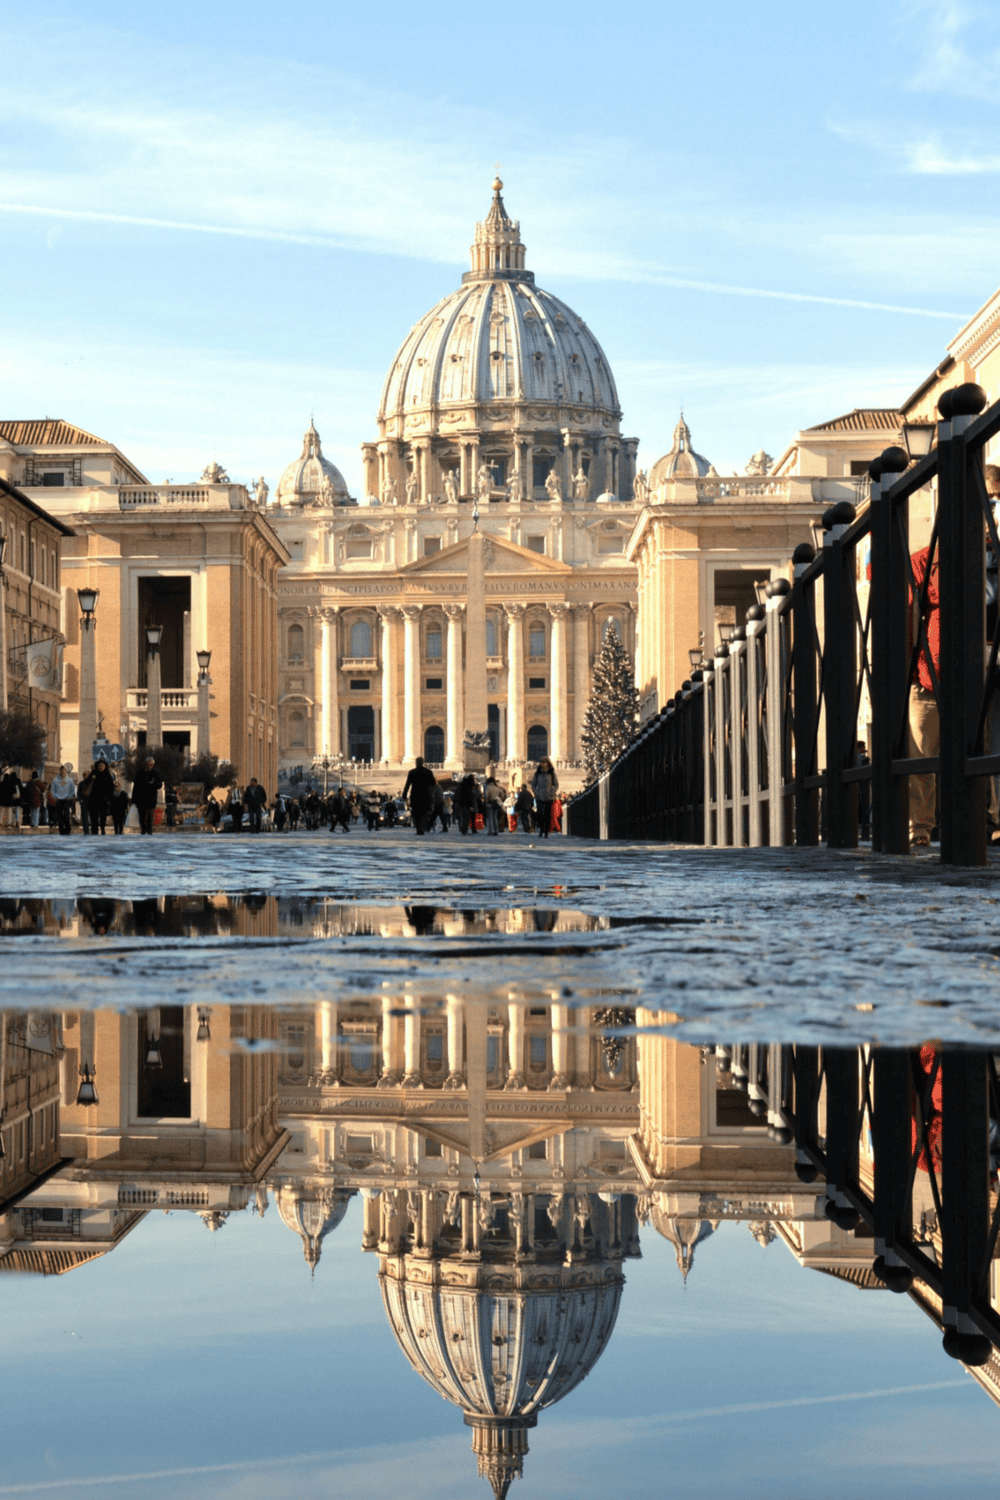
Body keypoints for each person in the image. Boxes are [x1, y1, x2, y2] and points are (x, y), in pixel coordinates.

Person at [908, 544, 939, 847]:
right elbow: (907, 614)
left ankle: (984, 823)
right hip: (925, 675)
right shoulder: (922, 561)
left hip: (972, 677)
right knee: (919, 756)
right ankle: (920, 828)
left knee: (977, 750)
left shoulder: (987, 556)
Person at [402, 756, 436, 834]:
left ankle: (418, 829)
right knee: (424, 813)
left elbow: (407, 784)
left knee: (416, 813)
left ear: (416, 763)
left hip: (415, 795)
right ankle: (422, 828)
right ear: (423, 762)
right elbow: (433, 783)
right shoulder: (428, 772)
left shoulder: (412, 772)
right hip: (425, 796)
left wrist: (404, 795)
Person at [131, 757, 163, 835]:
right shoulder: (140, 773)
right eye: (148, 764)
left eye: (151, 764)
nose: (149, 766)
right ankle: (143, 829)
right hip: (141, 798)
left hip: (151, 799)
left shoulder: (156, 774)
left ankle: (149, 830)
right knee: (142, 815)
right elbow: (136, 787)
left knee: (150, 815)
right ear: (145, 764)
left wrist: (153, 783)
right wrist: (134, 799)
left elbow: (159, 785)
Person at [531, 758, 559, 839]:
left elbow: (556, 784)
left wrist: (552, 792)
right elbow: (533, 784)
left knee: (547, 815)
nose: (544, 763)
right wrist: (536, 792)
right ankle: (541, 830)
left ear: (548, 763)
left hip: (549, 797)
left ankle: (546, 832)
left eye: (545, 762)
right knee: (539, 814)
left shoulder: (552, 773)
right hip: (539, 797)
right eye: (542, 762)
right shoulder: (537, 773)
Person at [89, 759, 117, 834]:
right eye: (99, 765)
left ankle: (102, 829)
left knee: (103, 816)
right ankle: (94, 830)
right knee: (94, 815)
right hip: (94, 799)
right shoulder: (93, 774)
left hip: (104, 799)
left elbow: (111, 788)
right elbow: (87, 783)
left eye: (102, 766)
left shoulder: (108, 775)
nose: (100, 767)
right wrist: (92, 778)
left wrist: (109, 799)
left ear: (105, 766)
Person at [49, 766, 77, 835]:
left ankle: (67, 830)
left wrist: (70, 797)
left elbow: (72, 790)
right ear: (59, 772)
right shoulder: (55, 780)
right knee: (59, 816)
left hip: (67, 800)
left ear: (66, 772)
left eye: (64, 771)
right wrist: (55, 797)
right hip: (59, 800)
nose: (62, 773)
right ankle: (61, 830)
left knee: (66, 816)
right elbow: (52, 790)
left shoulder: (70, 780)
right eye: (61, 771)